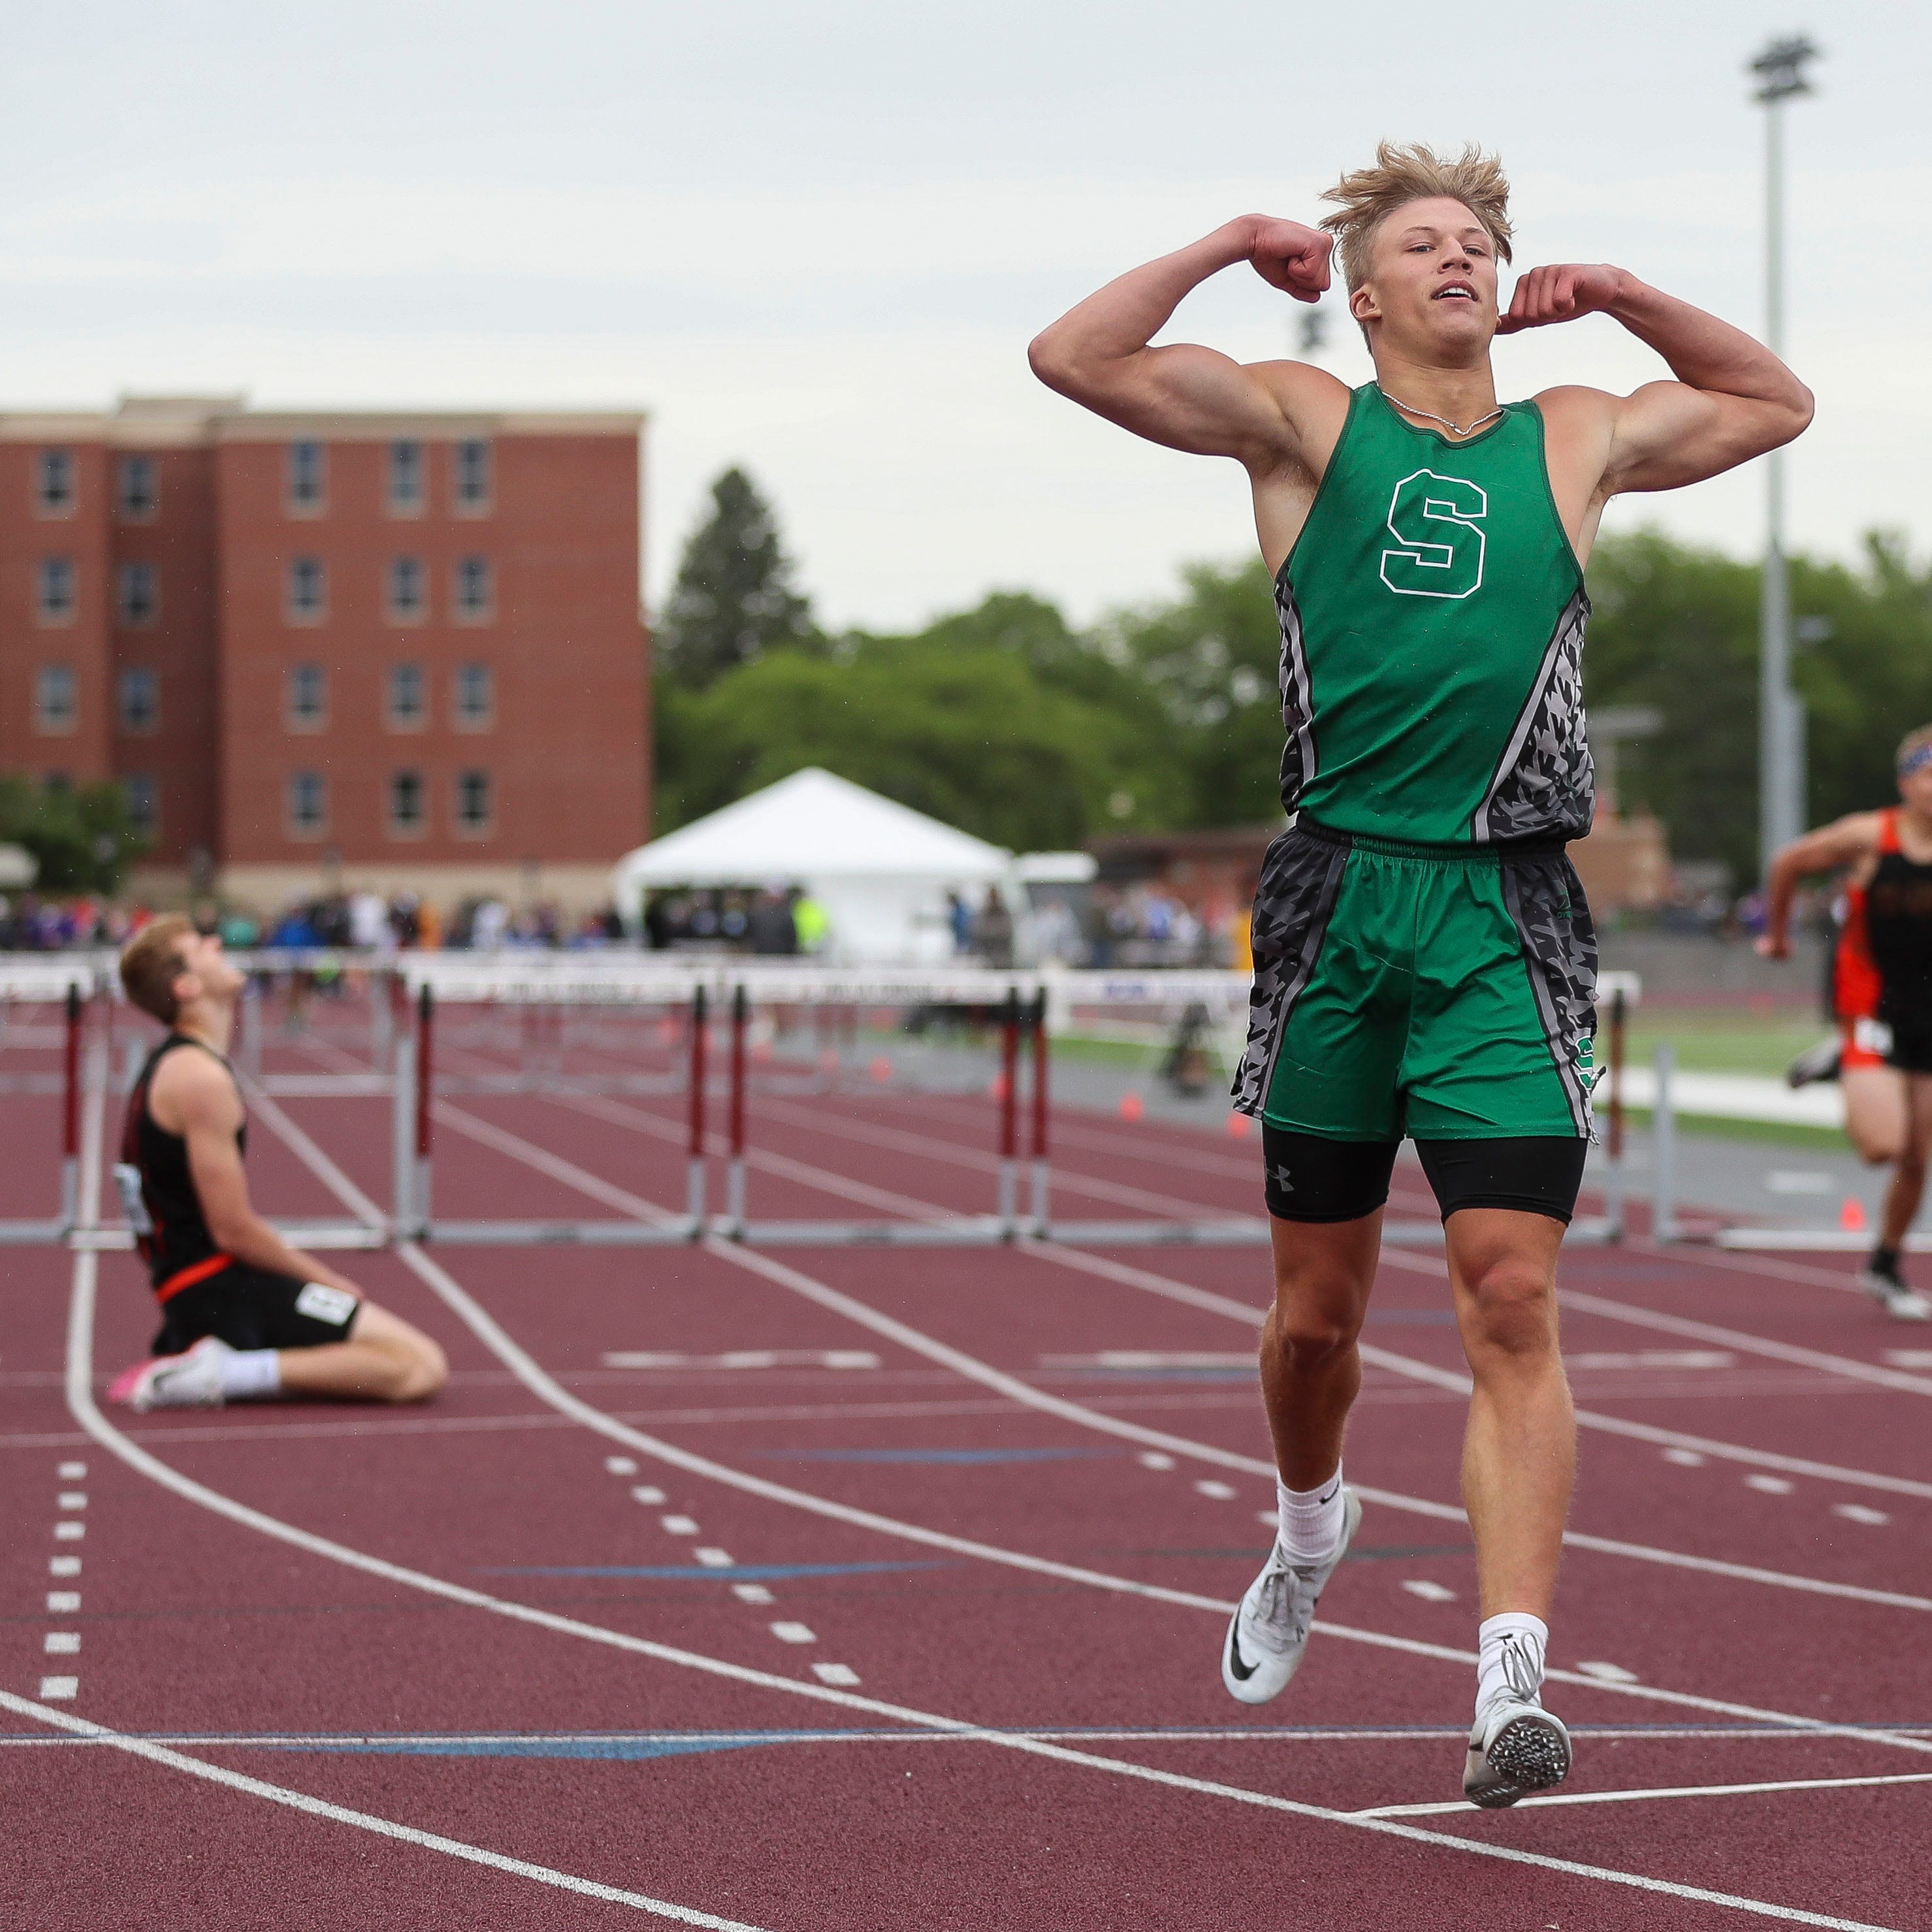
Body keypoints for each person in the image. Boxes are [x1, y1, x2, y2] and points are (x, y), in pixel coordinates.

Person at [1030, 142, 1811, 1806]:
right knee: (1316, 1318)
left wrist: (1619, 296)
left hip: (1508, 914)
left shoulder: (1579, 432)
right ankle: (1310, 1520)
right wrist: (1226, 242)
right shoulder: (1305, 423)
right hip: (1332, 906)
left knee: (1509, 1294)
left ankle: (1507, 1676)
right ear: (1366, 292)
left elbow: (1771, 403)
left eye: (1479, 240)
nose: (1458, 257)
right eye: (1420, 242)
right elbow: (1073, 359)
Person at [107, 916, 449, 1412]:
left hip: (204, 1283)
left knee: (404, 1355)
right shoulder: (197, 1079)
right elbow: (233, 1230)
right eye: (201, 946)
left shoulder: (180, 1065)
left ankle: (227, 1363)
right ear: (187, 986)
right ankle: (221, 1371)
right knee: (418, 1367)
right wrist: (320, 1279)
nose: (218, 939)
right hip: (219, 1286)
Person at [1758, 727, 1932, 1321]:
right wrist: (1777, 936)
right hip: (1872, 1010)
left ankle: (1884, 1263)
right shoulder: (1869, 837)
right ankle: (1841, 1057)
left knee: (1918, 1156)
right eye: (1926, 775)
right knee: (1885, 1146)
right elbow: (1789, 863)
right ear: (1905, 782)